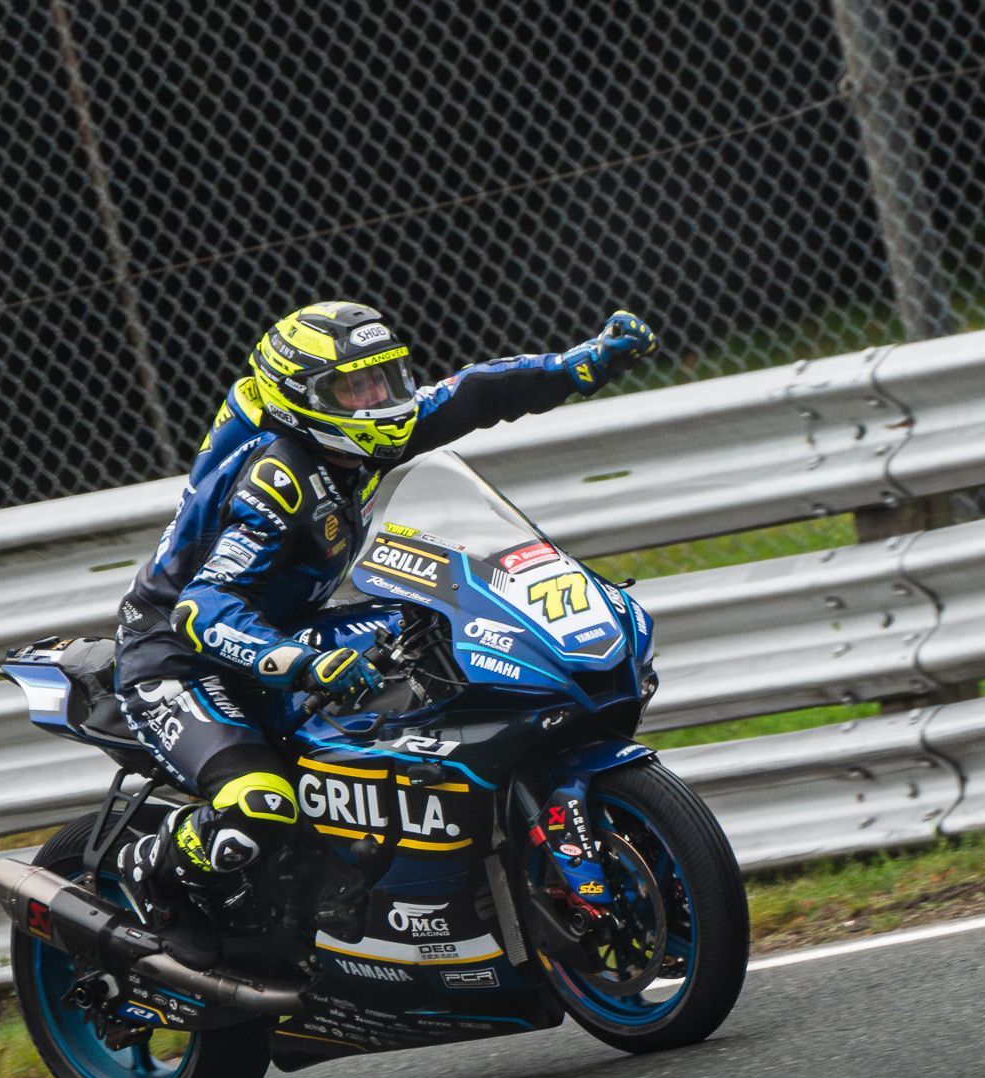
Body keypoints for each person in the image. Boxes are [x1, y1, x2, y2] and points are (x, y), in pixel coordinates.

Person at [112, 301, 658, 963]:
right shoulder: (274, 478)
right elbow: (202, 609)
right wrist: (300, 661)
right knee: (258, 804)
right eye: (356, 388)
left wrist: (579, 365)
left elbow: (476, 393)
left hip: (286, 627)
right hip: (178, 657)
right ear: (302, 400)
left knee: (443, 632)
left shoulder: (359, 433)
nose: (380, 400)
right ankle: (151, 867)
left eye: (384, 379)